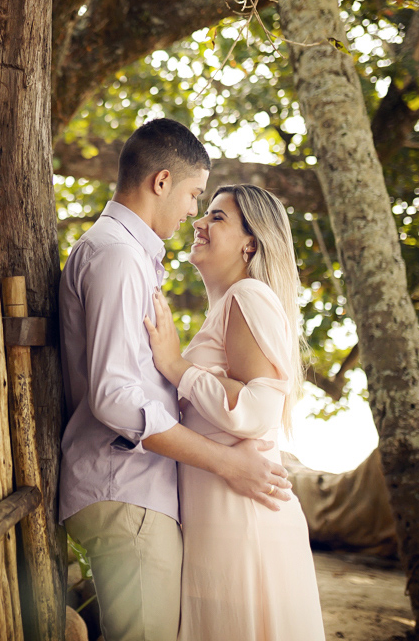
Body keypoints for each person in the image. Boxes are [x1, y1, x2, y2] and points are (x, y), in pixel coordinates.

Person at [59, 119, 291, 641]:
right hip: (128, 489)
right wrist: (229, 462)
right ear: (161, 182)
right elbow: (114, 397)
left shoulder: (126, 256)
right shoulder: (118, 257)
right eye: (194, 196)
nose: (193, 213)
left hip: (134, 491)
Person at [144, 183, 324, 641]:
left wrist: (176, 366)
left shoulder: (248, 296)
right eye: (205, 213)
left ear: (251, 243)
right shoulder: (227, 307)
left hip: (246, 528)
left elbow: (258, 409)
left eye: (217, 217)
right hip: (222, 528)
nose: (199, 223)